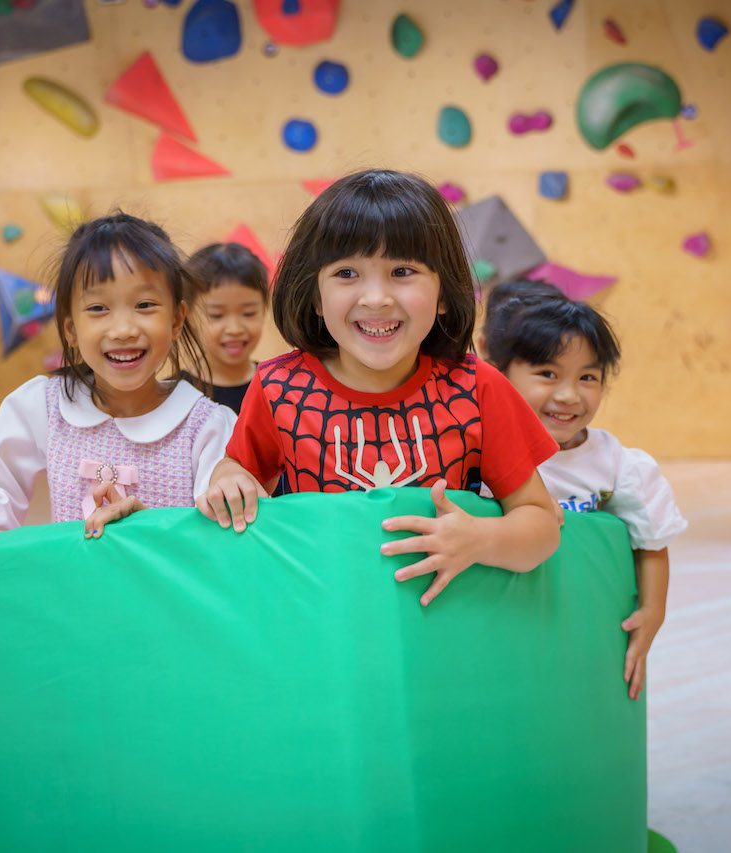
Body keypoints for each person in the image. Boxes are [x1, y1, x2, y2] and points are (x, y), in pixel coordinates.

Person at [196, 169, 562, 607]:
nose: (376, 298)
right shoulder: (278, 388)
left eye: (402, 271)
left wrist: (482, 538)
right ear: (314, 294)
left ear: (445, 291)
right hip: (323, 621)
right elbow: (237, 474)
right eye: (347, 272)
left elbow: (542, 522)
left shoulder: (478, 387)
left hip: (442, 625)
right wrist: (228, 477)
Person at [0, 213, 236, 567]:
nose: (123, 329)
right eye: (98, 308)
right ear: (71, 329)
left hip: (168, 610)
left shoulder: (205, 425)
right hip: (76, 604)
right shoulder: (44, 407)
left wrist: (152, 526)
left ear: (176, 320)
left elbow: (218, 533)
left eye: (144, 305)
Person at [480, 279, 688, 699]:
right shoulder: (481, 449)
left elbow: (651, 543)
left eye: (588, 377)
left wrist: (652, 612)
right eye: (547, 373)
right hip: (498, 623)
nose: (568, 395)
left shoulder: (616, 466)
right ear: (501, 375)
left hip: (575, 625)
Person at [185, 241, 270, 414]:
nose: (234, 329)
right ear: (188, 316)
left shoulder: (274, 388)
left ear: (264, 310)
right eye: (217, 315)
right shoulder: (176, 395)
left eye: (248, 313)